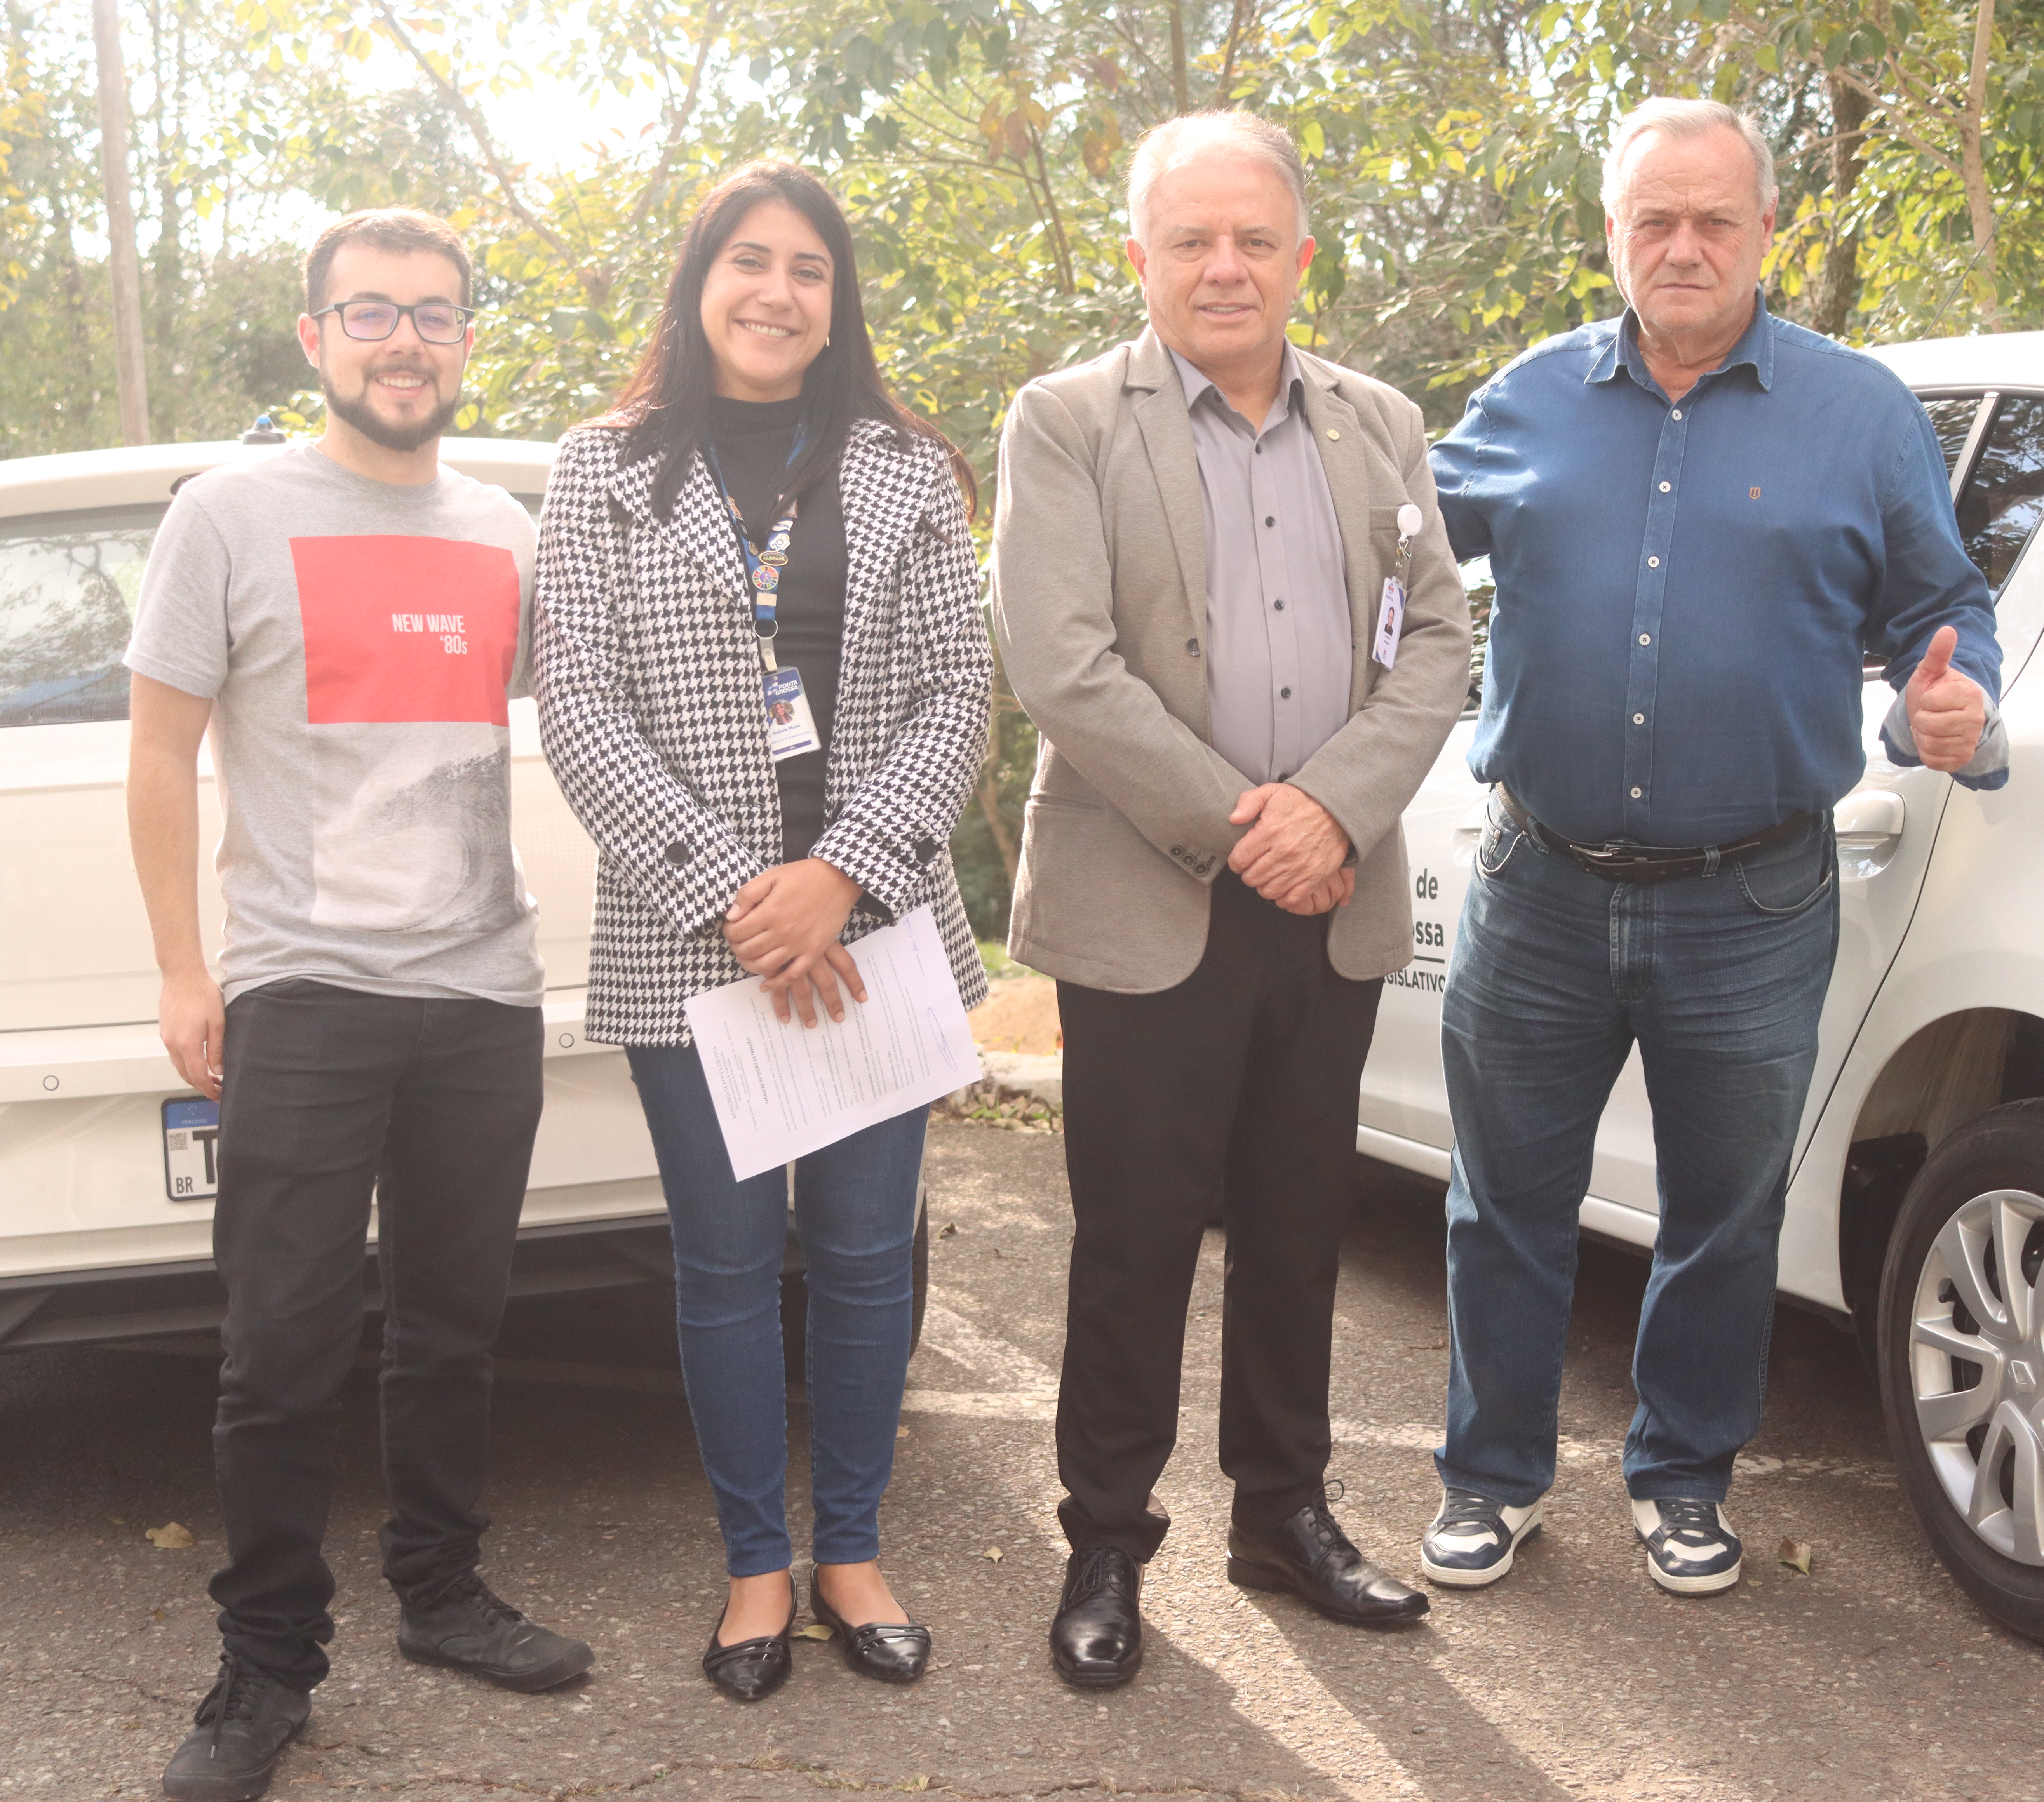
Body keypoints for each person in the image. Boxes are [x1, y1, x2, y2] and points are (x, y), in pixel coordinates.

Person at [1420, 98, 2008, 1599]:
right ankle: (1492, 1479)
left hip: (1754, 896)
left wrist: (1957, 703)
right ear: (1612, 234)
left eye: (1715, 221)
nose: (1684, 248)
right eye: (1653, 221)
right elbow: (1387, 555)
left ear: (1765, 233)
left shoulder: (1859, 413)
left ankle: (1683, 1479)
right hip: (1536, 885)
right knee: (1503, 1208)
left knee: (1724, 1219)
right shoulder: (1525, 402)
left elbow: (1945, 611)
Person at [990, 111, 1473, 1687]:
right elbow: (1060, 659)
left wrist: (1330, 810)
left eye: (1254, 239)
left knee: (1297, 1229)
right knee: (1132, 1242)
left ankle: (1287, 1514)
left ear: (1300, 257)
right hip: (1153, 897)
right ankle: (1108, 1543)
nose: (1223, 266)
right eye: (1190, 239)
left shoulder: (1381, 423)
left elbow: (1440, 645)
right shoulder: (1066, 421)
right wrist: (1244, 820)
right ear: (1140, 256)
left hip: (1328, 893)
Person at [125, 207, 593, 1802]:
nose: (409, 340)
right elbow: (158, 751)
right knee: (280, 1347)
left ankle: (443, 1591)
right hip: (305, 988)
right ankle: (264, 1667)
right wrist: (188, 967)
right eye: (374, 312)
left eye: (439, 314)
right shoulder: (230, 514)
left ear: (468, 340)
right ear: (317, 337)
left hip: (481, 987)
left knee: (456, 1328)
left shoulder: (511, 528)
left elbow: (600, 718)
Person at [534, 162, 991, 1703]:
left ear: (835, 297)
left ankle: (852, 1550)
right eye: (750, 260)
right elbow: (580, 705)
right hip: (696, 944)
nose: (777, 291)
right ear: (700, 279)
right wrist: (742, 895)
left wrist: (841, 875)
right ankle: (754, 1565)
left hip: (875, 935)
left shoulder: (903, 471)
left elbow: (957, 698)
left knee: (865, 1262)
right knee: (727, 1267)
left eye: (809, 267)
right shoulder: (599, 470)